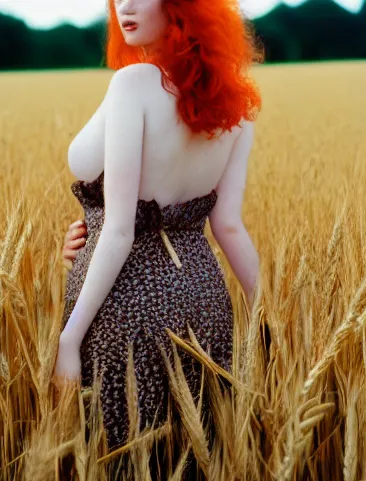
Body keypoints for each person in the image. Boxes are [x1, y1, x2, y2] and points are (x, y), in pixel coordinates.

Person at [54, 0, 262, 455]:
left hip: (126, 306)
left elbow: (121, 231)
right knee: (194, 457)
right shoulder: (236, 104)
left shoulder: (133, 85)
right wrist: (268, 318)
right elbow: (228, 227)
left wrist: (70, 338)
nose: (124, 6)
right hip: (205, 301)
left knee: (120, 463)